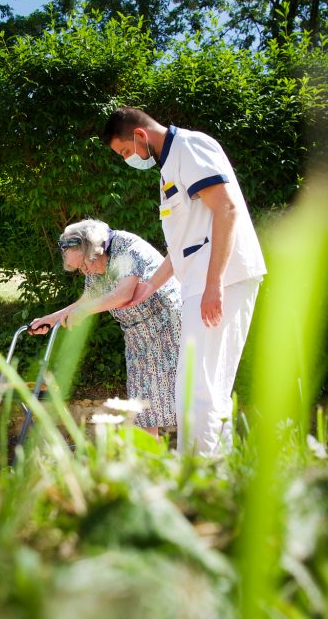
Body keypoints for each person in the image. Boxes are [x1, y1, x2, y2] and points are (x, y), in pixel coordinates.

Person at [101, 106, 267, 455]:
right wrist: (149, 287)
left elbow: (227, 208)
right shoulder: (169, 169)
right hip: (200, 282)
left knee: (198, 387)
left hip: (222, 279)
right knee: (201, 385)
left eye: (126, 152)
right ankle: (212, 471)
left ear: (140, 135)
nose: (129, 160)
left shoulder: (190, 148)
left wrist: (214, 284)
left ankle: (201, 473)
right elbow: (184, 246)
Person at [29, 219, 182, 438]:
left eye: (83, 265)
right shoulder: (94, 266)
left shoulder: (127, 248)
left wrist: (82, 313)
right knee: (142, 407)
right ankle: (149, 464)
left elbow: (123, 294)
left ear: (95, 250)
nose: (84, 272)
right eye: (78, 269)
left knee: (182, 395)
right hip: (137, 335)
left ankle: (194, 457)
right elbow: (88, 299)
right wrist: (51, 319)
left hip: (168, 324)